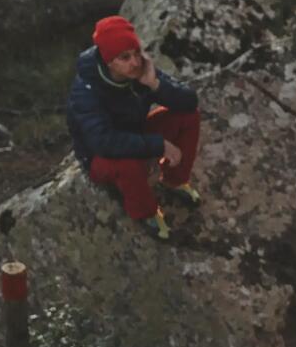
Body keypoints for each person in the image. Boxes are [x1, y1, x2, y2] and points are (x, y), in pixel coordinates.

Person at [66, 16, 204, 241]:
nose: (135, 62)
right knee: (128, 164)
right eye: (125, 57)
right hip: (99, 158)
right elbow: (104, 142)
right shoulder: (86, 92)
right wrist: (157, 145)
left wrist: (155, 84)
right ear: (109, 61)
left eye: (136, 53)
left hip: (135, 133)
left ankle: (174, 180)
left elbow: (189, 102)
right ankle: (145, 212)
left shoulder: (139, 71)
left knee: (188, 117)